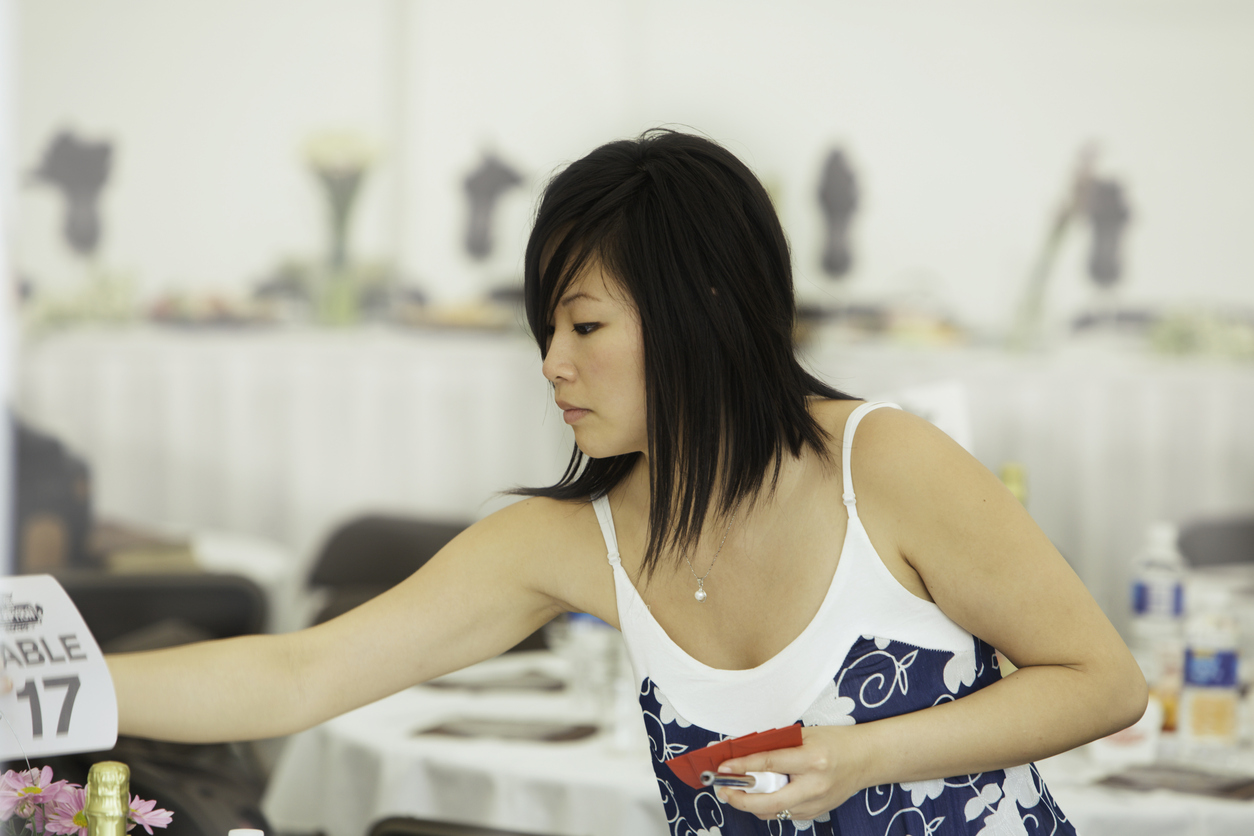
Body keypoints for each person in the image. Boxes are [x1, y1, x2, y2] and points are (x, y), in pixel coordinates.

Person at [105, 130, 1146, 834]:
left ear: (705, 306)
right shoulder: (569, 539)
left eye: (585, 324)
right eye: (547, 328)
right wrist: (51, 688)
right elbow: (299, 674)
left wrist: (866, 755)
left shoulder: (882, 461)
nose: (552, 362)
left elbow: (1102, 680)